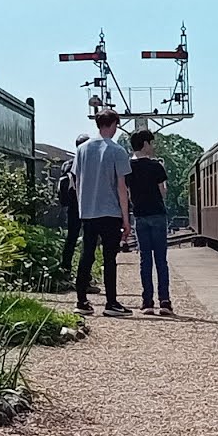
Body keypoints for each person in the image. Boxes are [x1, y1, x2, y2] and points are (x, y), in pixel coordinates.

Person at [71, 109, 133, 317]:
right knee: (109, 258)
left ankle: (81, 301)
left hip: (88, 211)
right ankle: (111, 303)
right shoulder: (117, 151)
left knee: (86, 254)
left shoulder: (82, 149)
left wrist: (83, 205)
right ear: (114, 123)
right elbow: (121, 188)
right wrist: (126, 218)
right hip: (110, 211)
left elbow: (77, 180)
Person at [126, 129, 172, 316]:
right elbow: (163, 191)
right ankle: (165, 301)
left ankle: (147, 302)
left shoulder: (128, 167)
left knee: (145, 259)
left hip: (140, 216)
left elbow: (128, 193)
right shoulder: (156, 166)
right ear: (145, 144)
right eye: (151, 143)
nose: (153, 147)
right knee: (161, 259)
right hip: (158, 215)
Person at [58, 134, 99, 296]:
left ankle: (65, 272)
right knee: (89, 243)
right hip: (88, 207)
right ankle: (85, 279)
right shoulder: (89, 163)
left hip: (72, 208)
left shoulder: (67, 164)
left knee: (71, 240)